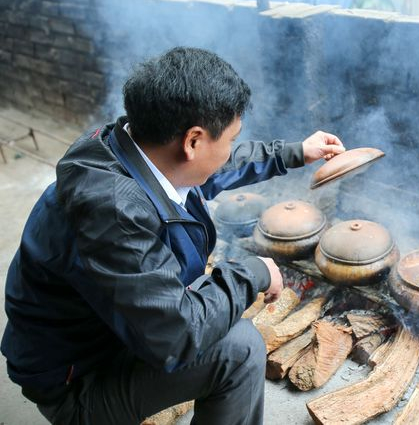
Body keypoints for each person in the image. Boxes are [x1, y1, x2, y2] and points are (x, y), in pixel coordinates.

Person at [1, 46, 344, 425]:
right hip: (77, 378)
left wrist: (294, 152)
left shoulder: (134, 146)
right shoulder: (114, 210)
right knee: (240, 347)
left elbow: (213, 167)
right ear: (193, 141)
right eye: (229, 139)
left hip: (105, 332)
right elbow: (177, 338)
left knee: (203, 292)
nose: (229, 149)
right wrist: (253, 272)